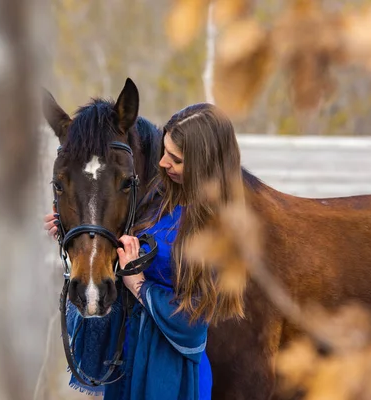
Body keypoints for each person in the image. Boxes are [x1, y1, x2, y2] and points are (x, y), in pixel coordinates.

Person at [43, 103, 242, 400]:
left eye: (175, 159)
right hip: (132, 358)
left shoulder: (215, 230)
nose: (161, 163)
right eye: (164, 151)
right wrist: (73, 229)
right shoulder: (155, 205)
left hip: (171, 374)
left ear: (203, 165)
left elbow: (192, 326)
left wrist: (138, 284)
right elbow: (104, 220)